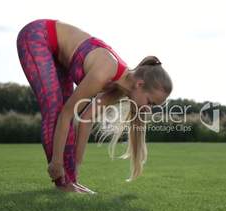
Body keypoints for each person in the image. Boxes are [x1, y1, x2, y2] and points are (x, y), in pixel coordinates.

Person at [16, 19, 172, 193]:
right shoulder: (104, 72)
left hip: (59, 57)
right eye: (150, 103)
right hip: (38, 36)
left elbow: (85, 120)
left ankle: (69, 182)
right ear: (140, 85)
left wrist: (74, 172)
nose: (148, 109)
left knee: (61, 112)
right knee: (55, 109)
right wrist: (57, 161)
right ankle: (63, 182)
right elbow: (67, 114)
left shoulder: (119, 88)